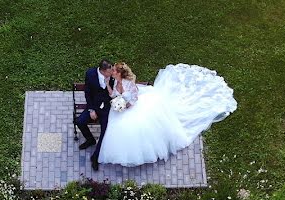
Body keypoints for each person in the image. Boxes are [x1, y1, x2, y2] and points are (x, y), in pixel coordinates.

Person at [96, 62, 237, 167]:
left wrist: (126, 105)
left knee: (135, 127)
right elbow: (113, 94)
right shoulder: (115, 82)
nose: (112, 72)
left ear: (120, 73)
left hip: (132, 107)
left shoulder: (129, 84)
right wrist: (109, 86)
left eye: (114, 71)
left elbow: (134, 98)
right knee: (117, 128)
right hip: (120, 108)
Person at [74, 59, 116, 171]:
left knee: (105, 131)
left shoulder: (113, 76)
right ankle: (90, 140)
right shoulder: (90, 74)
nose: (112, 72)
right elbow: (87, 92)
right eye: (109, 71)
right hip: (94, 106)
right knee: (79, 121)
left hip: (107, 108)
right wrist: (91, 109)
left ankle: (95, 157)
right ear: (103, 71)